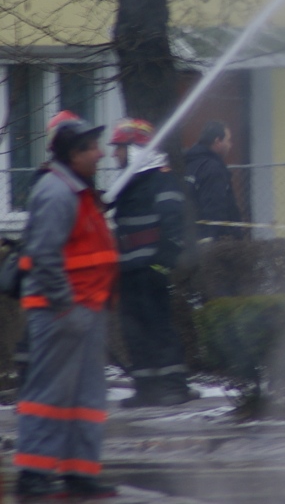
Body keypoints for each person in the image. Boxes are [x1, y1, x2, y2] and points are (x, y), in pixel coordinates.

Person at [13, 111, 119, 499]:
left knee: (87, 397)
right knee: (50, 395)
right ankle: (34, 474)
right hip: (65, 311)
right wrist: (65, 306)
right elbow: (44, 255)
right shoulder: (58, 192)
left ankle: (80, 473)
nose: (101, 154)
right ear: (73, 154)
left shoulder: (77, 190)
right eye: (91, 148)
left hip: (85, 309)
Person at [109, 118, 196, 408]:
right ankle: (146, 389)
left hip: (149, 270)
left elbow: (174, 227)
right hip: (129, 271)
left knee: (159, 328)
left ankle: (175, 387)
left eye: (119, 148)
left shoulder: (161, 180)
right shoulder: (127, 186)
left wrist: (161, 265)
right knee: (134, 330)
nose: (114, 154)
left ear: (135, 149)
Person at [183, 121, 242, 241]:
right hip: (212, 241)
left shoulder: (188, 163)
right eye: (228, 140)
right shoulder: (213, 168)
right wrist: (215, 239)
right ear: (217, 141)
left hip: (189, 236)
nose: (230, 145)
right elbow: (215, 207)